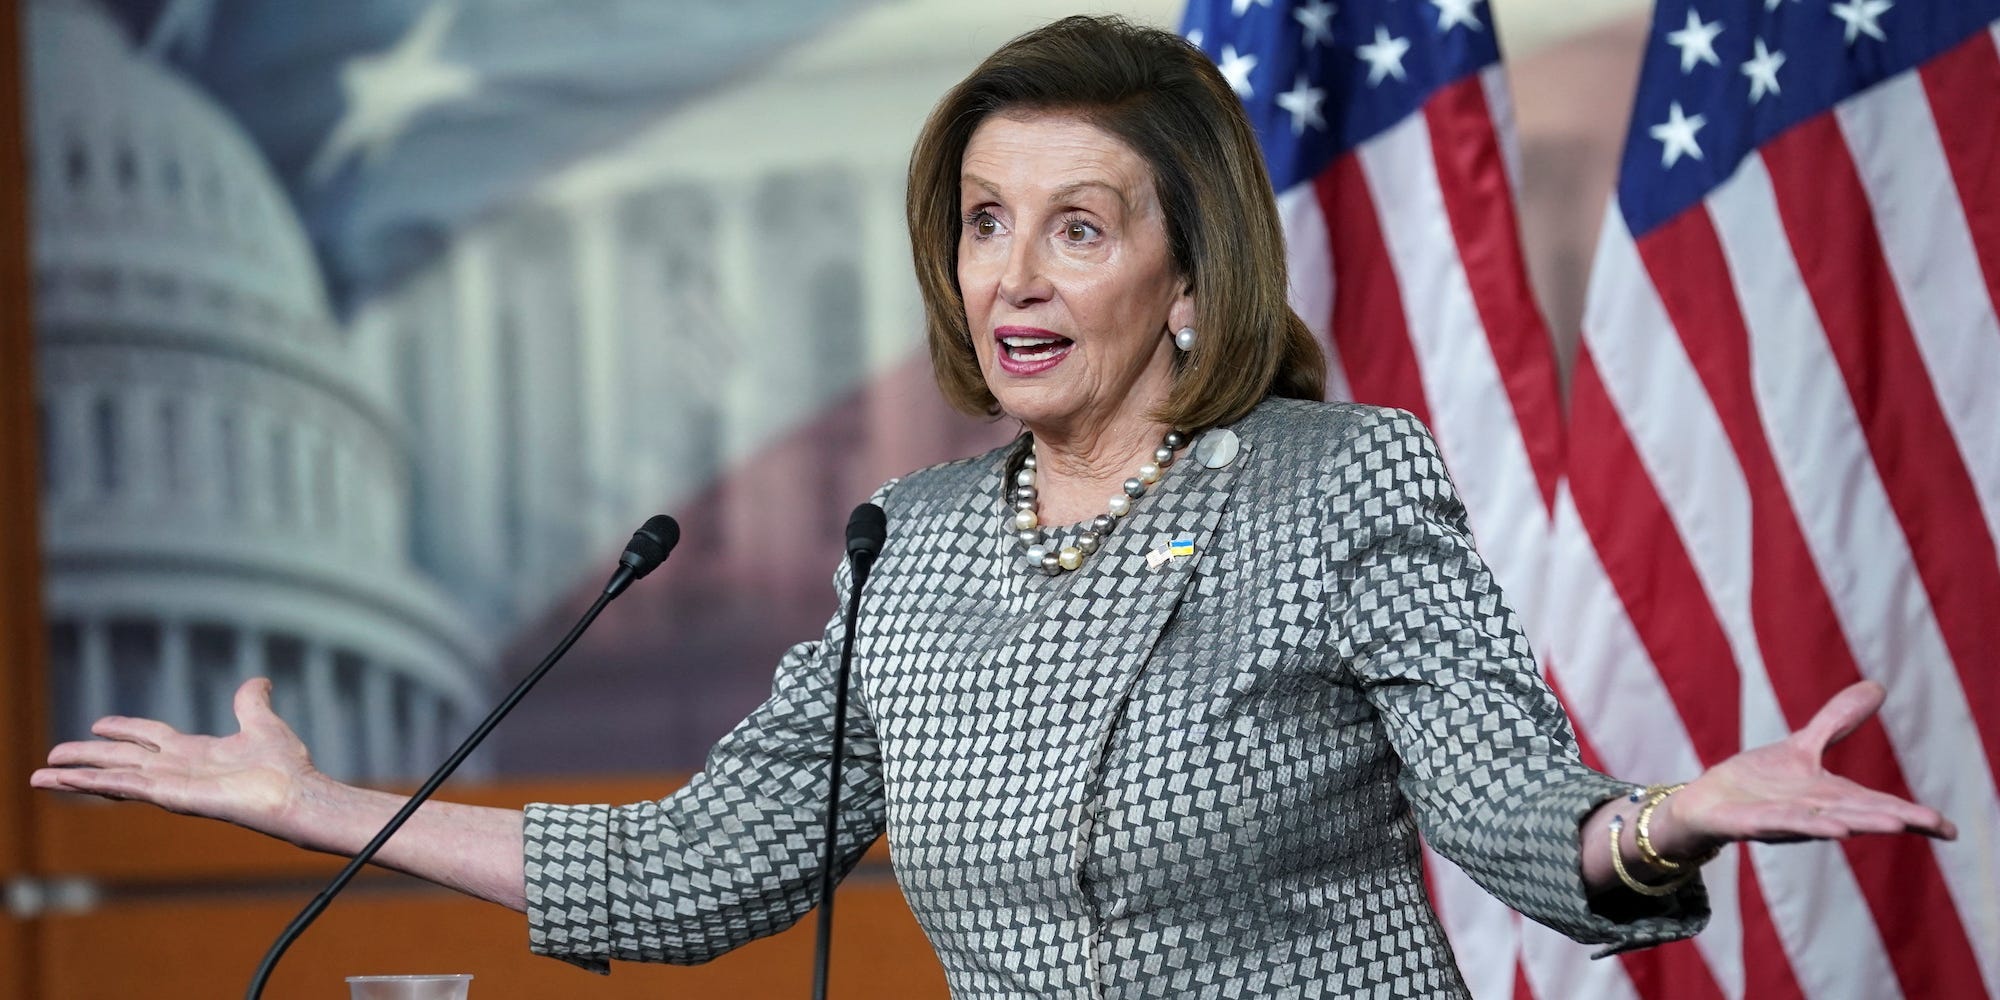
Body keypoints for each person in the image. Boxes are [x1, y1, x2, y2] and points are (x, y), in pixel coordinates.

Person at [31, 15, 1955, 999]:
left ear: (1189, 278)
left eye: (1078, 227)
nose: (1013, 276)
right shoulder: (917, 547)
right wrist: (309, 812)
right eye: (982, 225)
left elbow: (1510, 812)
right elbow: (689, 872)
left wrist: (1656, 821)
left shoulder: (1336, 477)